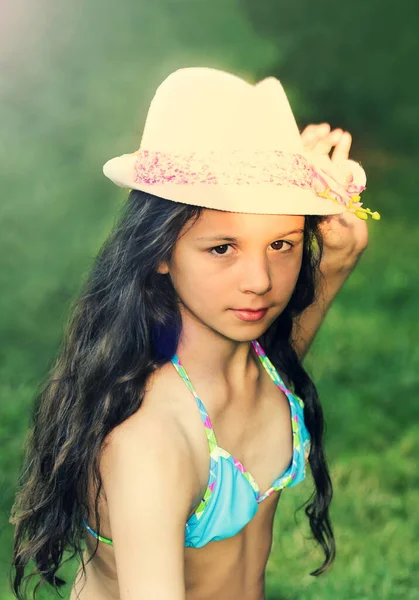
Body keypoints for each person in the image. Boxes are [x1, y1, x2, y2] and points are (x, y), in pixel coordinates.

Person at [9, 67, 380, 600]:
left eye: (282, 244)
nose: (259, 283)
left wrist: (339, 258)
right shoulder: (151, 442)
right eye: (222, 248)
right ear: (159, 250)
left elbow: (275, 361)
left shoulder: (255, 368)